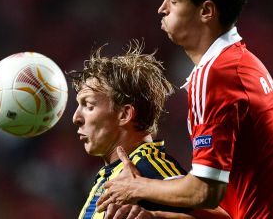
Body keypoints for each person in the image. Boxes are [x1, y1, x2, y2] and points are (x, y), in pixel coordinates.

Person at [96, 0, 273, 218]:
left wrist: (139, 187)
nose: (162, 7)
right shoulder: (243, 64)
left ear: (206, 11)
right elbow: (227, 207)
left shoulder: (218, 75)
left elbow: (205, 191)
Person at [69, 42, 231, 219]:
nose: (76, 118)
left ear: (124, 114)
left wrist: (155, 217)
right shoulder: (112, 175)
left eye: (89, 106)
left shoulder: (147, 167)